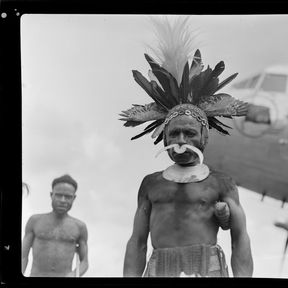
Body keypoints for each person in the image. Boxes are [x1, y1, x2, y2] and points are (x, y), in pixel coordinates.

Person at [120, 18, 253, 277]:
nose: (182, 140)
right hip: (160, 269)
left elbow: (240, 238)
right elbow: (137, 241)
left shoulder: (221, 183)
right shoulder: (151, 184)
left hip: (207, 269)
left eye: (189, 133)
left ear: (204, 138)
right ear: (165, 139)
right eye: (175, 133)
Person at [22, 174, 89, 277]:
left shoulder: (80, 227)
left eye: (68, 197)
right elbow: (23, 256)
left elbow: (84, 262)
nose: (62, 200)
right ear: (51, 195)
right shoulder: (35, 221)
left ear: (74, 198)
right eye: (58, 195)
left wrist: (74, 274)